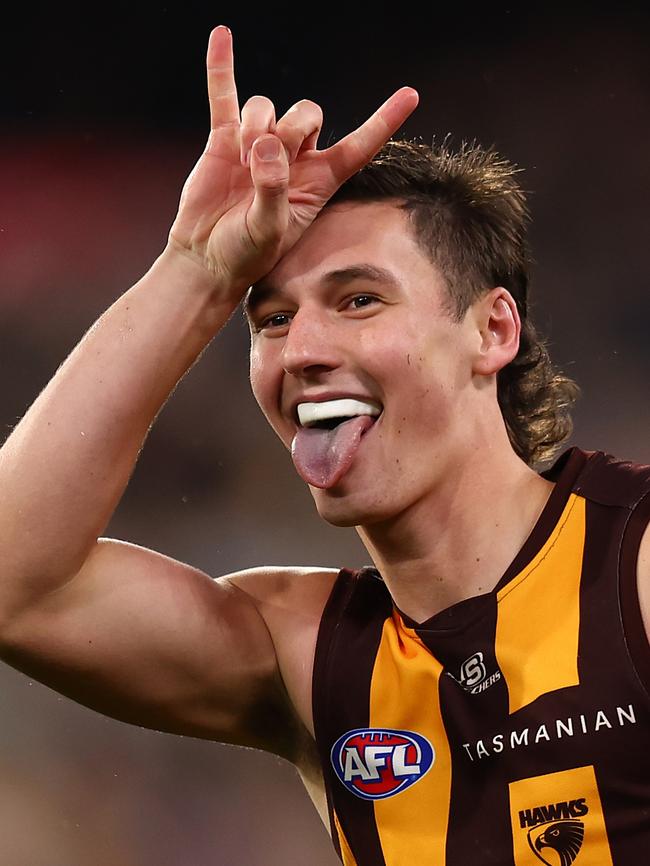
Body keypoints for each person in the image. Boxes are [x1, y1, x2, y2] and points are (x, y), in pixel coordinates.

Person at [0, 23, 649, 866]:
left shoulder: (634, 564)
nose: (300, 351)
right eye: (272, 318)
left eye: (358, 301)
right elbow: (14, 583)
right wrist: (197, 268)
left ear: (492, 330)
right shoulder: (305, 652)